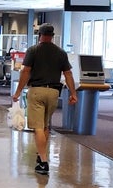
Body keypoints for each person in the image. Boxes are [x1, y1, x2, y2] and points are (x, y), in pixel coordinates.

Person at [11, 23, 77, 176]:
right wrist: (74, 94)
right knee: (45, 126)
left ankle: (44, 162)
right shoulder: (61, 52)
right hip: (54, 92)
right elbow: (68, 74)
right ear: (52, 35)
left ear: (39, 34)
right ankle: (41, 157)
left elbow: (26, 71)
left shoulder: (33, 50)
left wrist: (18, 91)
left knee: (38, 128)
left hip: (37, 91)